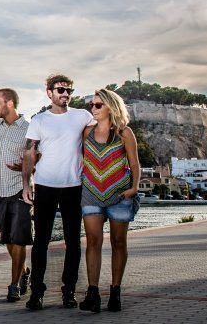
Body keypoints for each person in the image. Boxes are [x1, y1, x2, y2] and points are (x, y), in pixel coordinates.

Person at [22, 74, 95, 311]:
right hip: (44, 186)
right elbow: (30, 153)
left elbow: (100, 134)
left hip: (73, 187)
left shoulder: (82, 116)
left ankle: (69, 291)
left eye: (69, 90)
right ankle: (37, 293)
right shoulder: (39, 120)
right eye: (60, 90)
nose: (65, 94)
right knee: (40, 241)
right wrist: (26, 184)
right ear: (49, 93)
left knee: (73, 242)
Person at [79, 89, 140, 313]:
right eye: (92, 105)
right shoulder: (86, 132)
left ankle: (115, 292)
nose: (93, 109)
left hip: (120, 194)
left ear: (110, 107)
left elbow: (134, 163)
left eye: (97, 105)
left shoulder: (124, 133)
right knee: (93, 242)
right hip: (91, 193)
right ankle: (93, 294)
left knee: (118, 242)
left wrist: (134, 188)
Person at [0, 88, 33, 302]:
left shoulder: (29, 129)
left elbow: (38, 157)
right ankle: (24, 272)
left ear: (9, 103)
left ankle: (13, 286)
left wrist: (26, 165)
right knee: (9, 241)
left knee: (18, 240)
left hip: (20, 192)